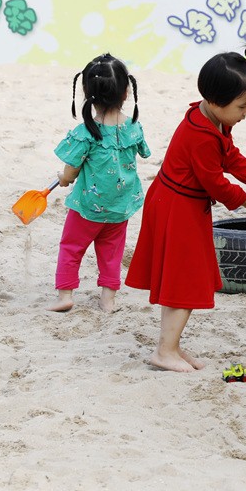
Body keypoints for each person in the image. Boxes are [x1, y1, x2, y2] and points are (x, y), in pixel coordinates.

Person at [125, 47, 246, 372]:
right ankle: (165, 350)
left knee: (180, 279)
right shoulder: (201, 135)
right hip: (177, 207)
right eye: (243, 106)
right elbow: (214, 181)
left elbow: (230, 157)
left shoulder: (210, 120)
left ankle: (170, 346)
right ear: (216, 102)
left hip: (180, 204)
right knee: (184, 280)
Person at [49, 53, 150, 313]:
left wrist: (63, 178)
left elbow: (70, 175)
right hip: (120, 207)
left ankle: (65, 295)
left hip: (89, 207)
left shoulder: (84, 133)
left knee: (71, 247)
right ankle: (108, 299)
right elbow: (143, 153)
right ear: (126, 92)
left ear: (86, 92)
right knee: (112, 251)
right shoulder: (134, 128)